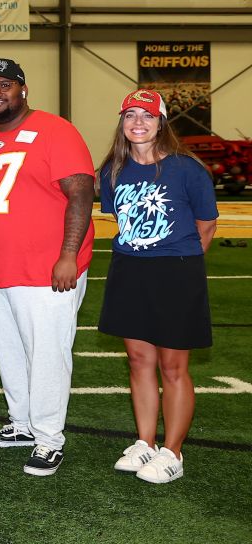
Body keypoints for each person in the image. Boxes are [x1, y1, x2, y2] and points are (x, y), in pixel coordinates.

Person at [0, 58, 94, 477]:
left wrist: (68, 255)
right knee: (9, 349)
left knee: (46, 354)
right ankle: (22, 423)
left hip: (45, 269)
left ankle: (49, 438)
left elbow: (80, 195)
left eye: (5, 85)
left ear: (23, 89)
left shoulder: (56, 129)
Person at [98, 89, 217, 484]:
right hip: (130, 270)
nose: (137, 122)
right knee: (138, 361)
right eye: (130, 114)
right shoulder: (113, 170)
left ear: (161, 122)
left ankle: (173, 452)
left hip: (176, 273)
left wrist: (177, 263)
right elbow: (121, 221)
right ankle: (145, 442)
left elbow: (206, 226)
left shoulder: (187, 169)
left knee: (173, 366)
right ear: (122, 121)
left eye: (146, 116)